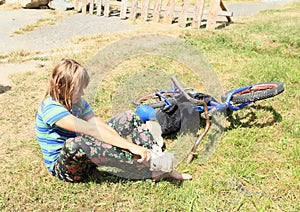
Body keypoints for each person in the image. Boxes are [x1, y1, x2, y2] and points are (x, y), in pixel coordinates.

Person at [35, 58, 192, 182]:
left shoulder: (78, 103)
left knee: (128, 117)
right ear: (60, 86)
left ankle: (155, 156)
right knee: (74, 144)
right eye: (78, 89)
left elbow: (98, 125)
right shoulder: (51, 108)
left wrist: (128, 145)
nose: (83, 93)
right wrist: (131, 147)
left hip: (86, 156)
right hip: (67, 168)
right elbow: (91, 130)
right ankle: (152, 165)